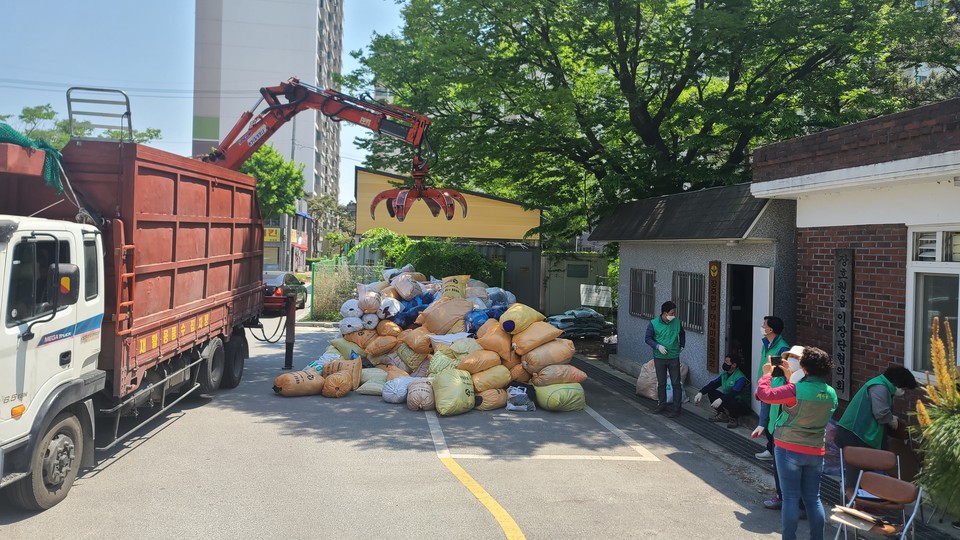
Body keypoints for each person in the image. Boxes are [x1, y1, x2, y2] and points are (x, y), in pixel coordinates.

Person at [756, 346, 838, 540]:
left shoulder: (795, 389)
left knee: (790, 498)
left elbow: (765, 395)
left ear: (804, 367)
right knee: (813, 499)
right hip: (816, 450)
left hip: (788, 447)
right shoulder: (831, 393)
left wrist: (766, 375)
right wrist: (792, 375)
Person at [835, 365, 918, 486]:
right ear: (897, 384)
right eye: (904, 388)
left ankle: (861, 498)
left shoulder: (881, 385)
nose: (903, 392)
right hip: (855, 433)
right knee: (856, 474)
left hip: (859, 434)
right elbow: (881, 413)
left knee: (863, 473)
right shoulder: (879, 388)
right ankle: (853, 500)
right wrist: (893, 421)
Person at [753, 315, 792, 511]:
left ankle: (772, 447)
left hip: (775, 393)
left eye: (764, 324)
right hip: (767, 390)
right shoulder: (766, 344)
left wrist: (766, 388)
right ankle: (771, 447)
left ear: (770, 329)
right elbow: (766, 371)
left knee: (769, 422)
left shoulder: (782, 348)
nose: (762, 326)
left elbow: (779, 375)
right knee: (766, 421)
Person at [645, 300, 685, 418]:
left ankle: (676, 408)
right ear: (665, 313)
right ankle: (661, 404)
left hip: (673, 356)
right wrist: (657, 346)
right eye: (672, 313)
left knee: (676, 383)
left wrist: (682, 345)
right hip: (660, 357)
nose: (674, 315)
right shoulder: (653, 323)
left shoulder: (677, 322)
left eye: (674, 313)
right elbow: (647, 338)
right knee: (661, 382)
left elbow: (682, 333)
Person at [694, 352, 751, 428]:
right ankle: (722, 415)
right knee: (712, 392)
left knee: (732, 400)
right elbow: (713, 384)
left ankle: (733, 418)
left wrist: (721, 399)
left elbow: (733, 392)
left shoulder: (741, 378)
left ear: (734, 365)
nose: (725, 363)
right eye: (725, 361)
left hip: (742, 404)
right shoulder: (725, 374)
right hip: (728, 399)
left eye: (727, 362)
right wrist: (701, 392)